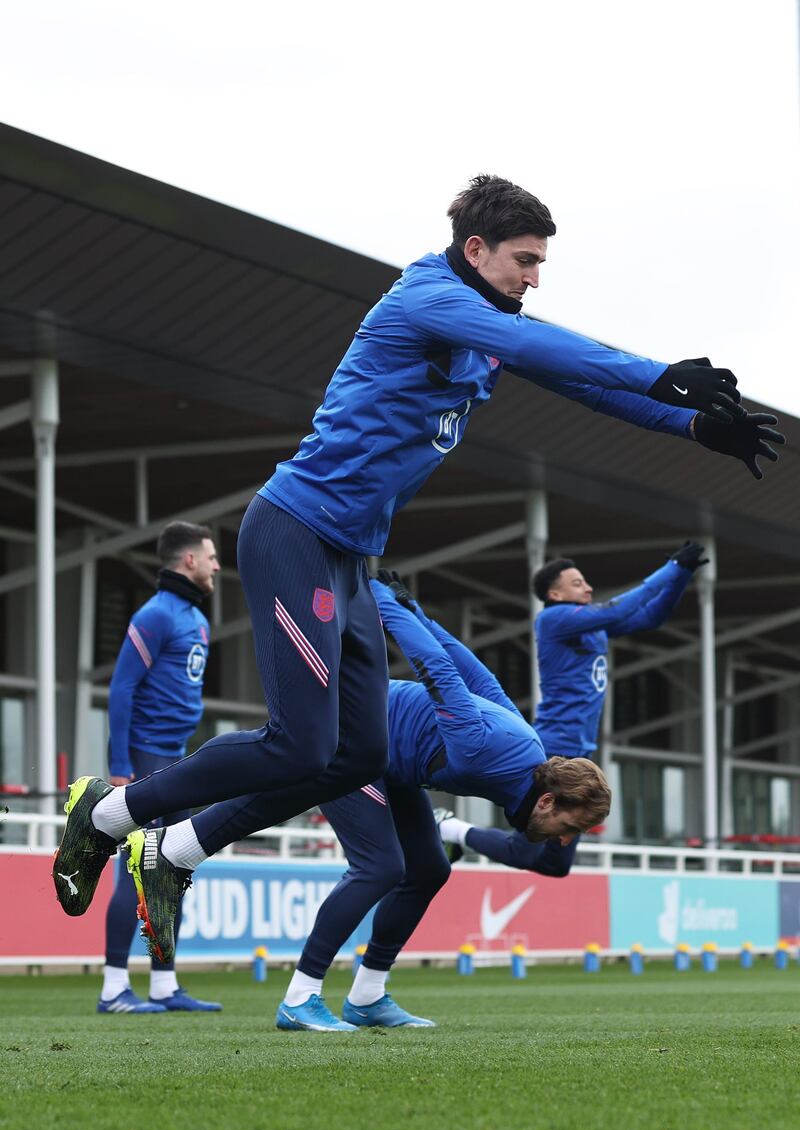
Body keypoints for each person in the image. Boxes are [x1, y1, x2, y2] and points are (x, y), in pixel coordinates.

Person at [53, 174, 782, 965]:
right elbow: (554, 347)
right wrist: (656, 370)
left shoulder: (485, 323)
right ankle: (107, 814)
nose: (534, 279)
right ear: (476, 251)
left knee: (358, 757)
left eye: (542, 265)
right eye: (525, 261)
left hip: (353, 560)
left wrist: (696, 425)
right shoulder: (425, 298)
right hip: (295, 533)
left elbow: (585, 386)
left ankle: (175, 854)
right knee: (300, 747)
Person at [274, 573, 608, 1032]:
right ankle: (300, 996)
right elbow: (436, 666)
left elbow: (478, 676)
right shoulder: (481, 749)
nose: (567, 839)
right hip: (347, 740)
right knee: (381, 867)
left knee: (430, 868)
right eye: (573, 825)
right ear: (548, 802)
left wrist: (417, 612)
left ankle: (367, 996)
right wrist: (387, 601)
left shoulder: (526, 750)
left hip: (398, 766)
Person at [437, 542, 707, 866]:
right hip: (555, 750)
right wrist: (672, 568)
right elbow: (618, 610)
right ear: (555, 595)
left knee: (557, 865)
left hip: (581, 756)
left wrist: (683, 575)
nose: (588, 587)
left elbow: (651, 617)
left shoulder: (593, 630)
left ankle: (451, 834)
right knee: (521, 851)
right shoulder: (553, 619)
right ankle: (447, 827)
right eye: (577, 583)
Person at [97, 522, 222, 1013]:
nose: (216, 564)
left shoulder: (196, 618)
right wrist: (121, 766)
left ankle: (165, 985)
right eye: (210, 556)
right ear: (188, 560)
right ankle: (113, 989)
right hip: (146, 761)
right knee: (135, 873)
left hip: (178, 758)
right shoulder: (154, 616)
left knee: (175, 868)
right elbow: (121, 687)